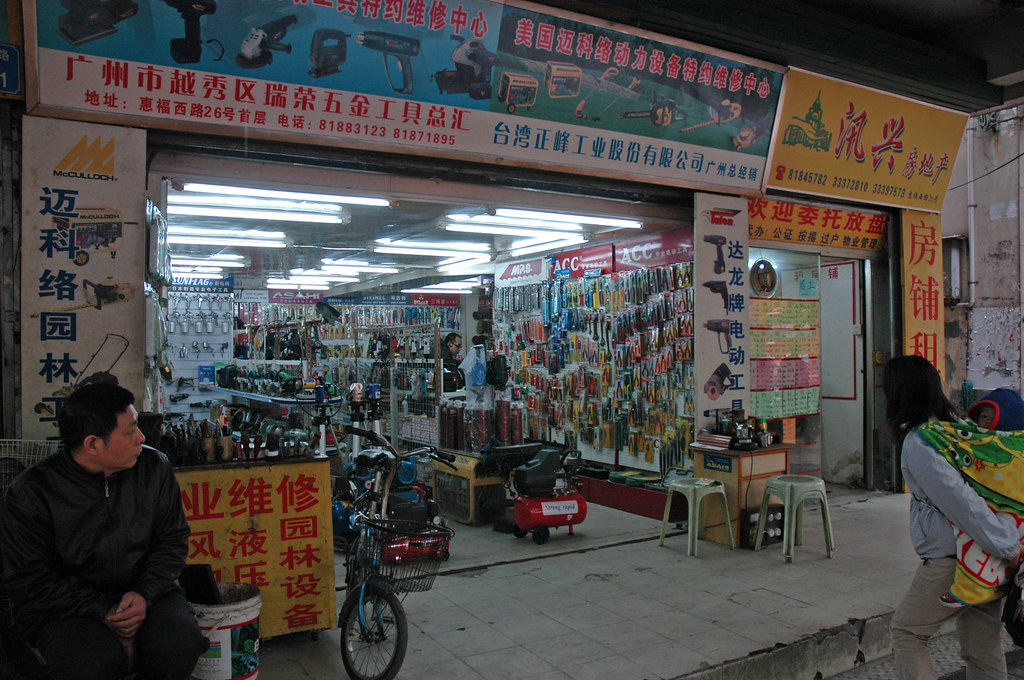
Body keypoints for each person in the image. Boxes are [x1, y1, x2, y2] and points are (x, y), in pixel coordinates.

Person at [0, 383, 209, 680]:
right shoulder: (31, 494)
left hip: (147, 593)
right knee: (91, 662)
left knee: (179, 644)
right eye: (130, 431)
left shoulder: (153, 468)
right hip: (67, 608)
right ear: (92, 445)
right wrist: (105, 610)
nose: (141, 438)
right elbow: (32, 579)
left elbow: (172, 540)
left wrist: (143, 594)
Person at [884, 355, 1024, 679]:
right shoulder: (957, 429)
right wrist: (1005, 546)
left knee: (908, 632)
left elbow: (964, 504)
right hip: (990, 559)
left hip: (957, 560)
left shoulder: (921, 442)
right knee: (981, 647)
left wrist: (1007, 544)